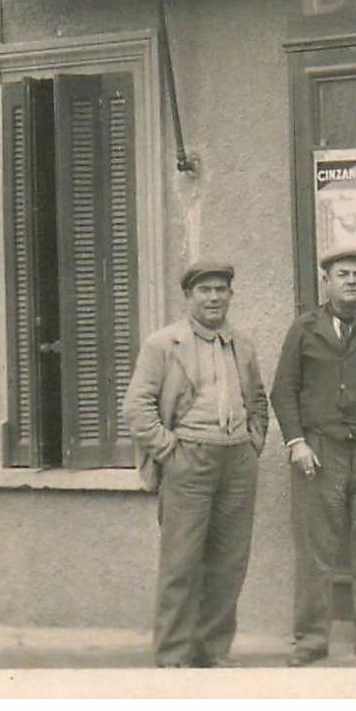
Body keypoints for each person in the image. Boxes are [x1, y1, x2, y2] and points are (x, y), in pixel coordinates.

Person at [123, 259, 270, 668]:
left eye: (221, 289)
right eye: (204, 290)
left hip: (237, 459)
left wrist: (253, 440)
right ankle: (173, 655)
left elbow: (258, 399)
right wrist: (171, 452)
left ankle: (212, 651)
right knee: (181, 561)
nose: (213, 297)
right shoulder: (163, 344)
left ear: (230, 296)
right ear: (188, 296)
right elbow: (137, 407)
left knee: (229, 562)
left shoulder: (242, 342)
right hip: (189, 458)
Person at [271, 246, 356, 666]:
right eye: (342, 274)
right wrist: (297, 443)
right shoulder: (304, 329)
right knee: (316, 550)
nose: (351, 281)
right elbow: (283, 390)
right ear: (325, 282)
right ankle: (310, 639)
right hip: (320, 451)